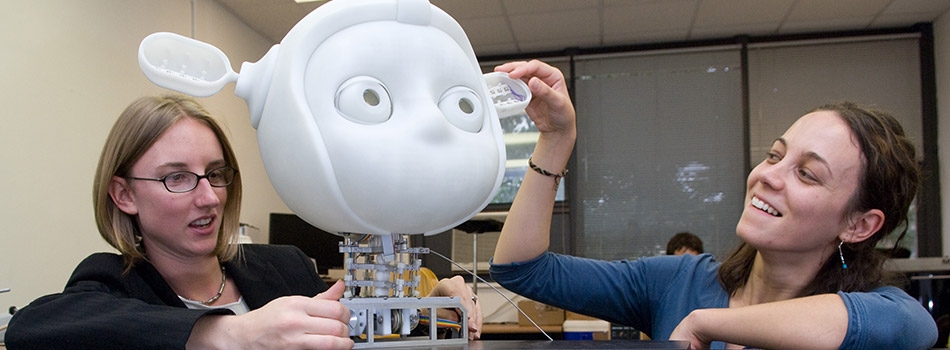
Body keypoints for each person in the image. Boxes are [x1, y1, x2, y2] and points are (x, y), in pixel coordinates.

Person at [489, 60, 938, 349]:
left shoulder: (883, 313)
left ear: (860, 225)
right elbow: (522, 269)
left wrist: (709, 324)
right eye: (775, 155)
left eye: (806, 173)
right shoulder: (677, 283)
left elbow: (909, 327)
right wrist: (555, 139)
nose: (767, 176)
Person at [4, 94, 482, 349]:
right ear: (124, 193)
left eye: (215, 174)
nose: (209, 197)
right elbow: (33, 327)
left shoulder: (285, 267)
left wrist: (429, 303)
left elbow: (357, 331)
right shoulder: (109, 281)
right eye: (177, 179)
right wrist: (229, 333)